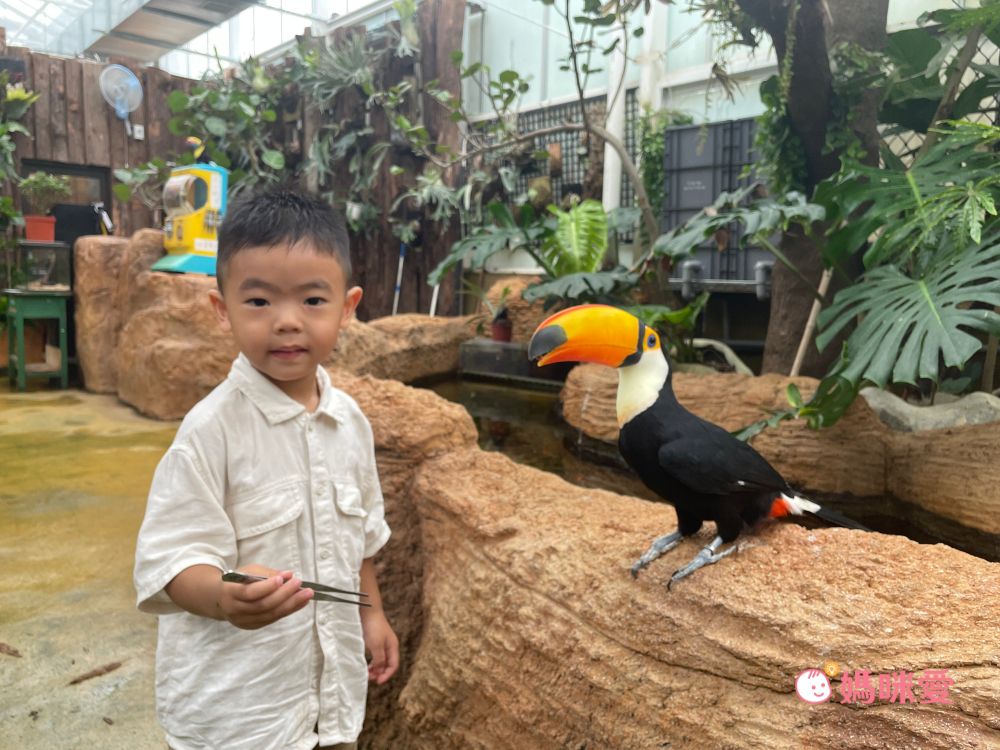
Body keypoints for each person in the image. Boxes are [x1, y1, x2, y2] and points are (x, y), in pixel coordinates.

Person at [133, 189, 399, 750]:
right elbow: (171, 559)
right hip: (240, 712)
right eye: (258, 301)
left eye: (313, 300)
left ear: (347, 307)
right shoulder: (210, 432)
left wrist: (371, 616)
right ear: (221, 309)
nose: (287, 322)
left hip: (329, 700)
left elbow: (361, 539)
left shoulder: (350, 423)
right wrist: (221, 597)